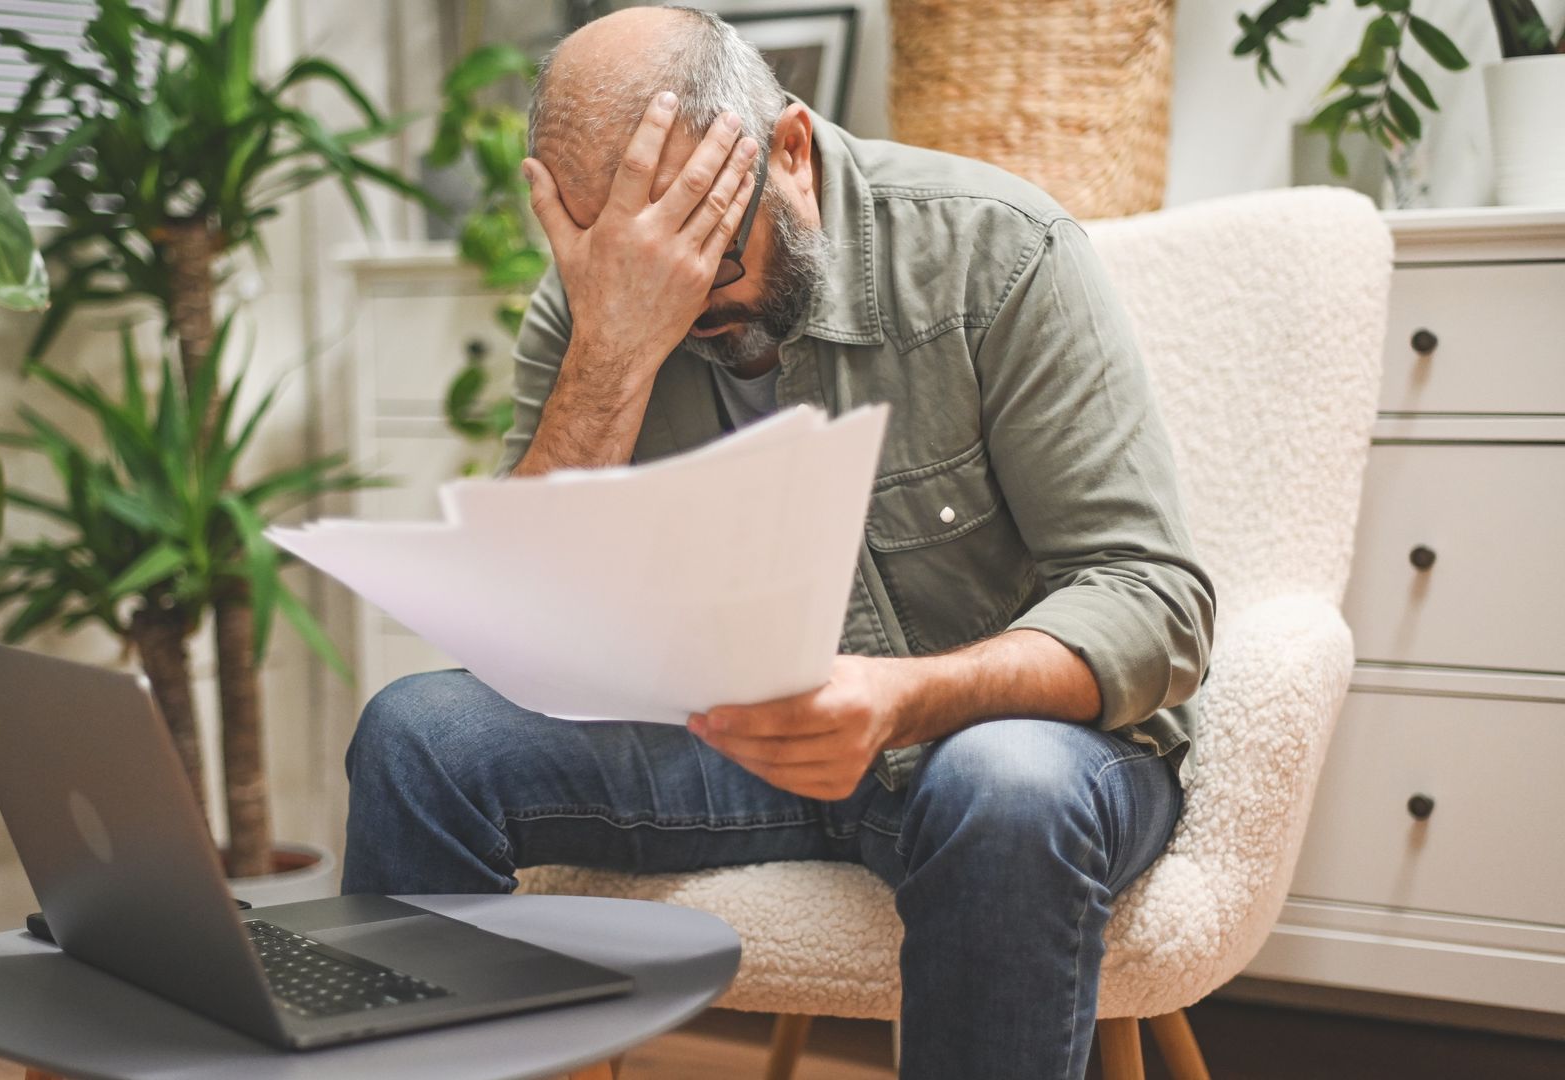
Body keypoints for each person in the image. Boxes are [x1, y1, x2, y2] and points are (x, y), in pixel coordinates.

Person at [343, 7, 1215, 1077]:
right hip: (742, 752)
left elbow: (1152, 600)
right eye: (637, 269)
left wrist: (901, 698)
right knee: (418, 735)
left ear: (790, 149)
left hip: (998, 743)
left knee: (1006, 783)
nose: (689, 306)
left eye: (711, 259)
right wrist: (613, 347)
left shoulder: (994, 250)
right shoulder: (601, 305)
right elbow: (517, 631)